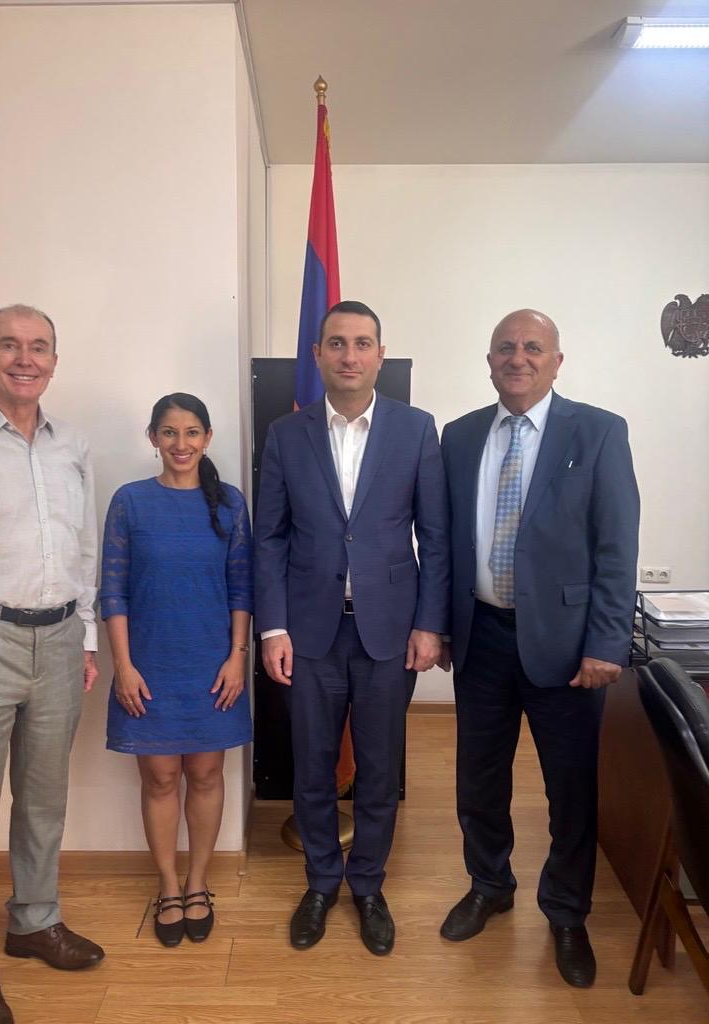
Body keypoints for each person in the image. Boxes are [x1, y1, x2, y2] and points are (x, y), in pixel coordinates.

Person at [438, 309, 639, 988]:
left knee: (570, 788)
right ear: (489, 360)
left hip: (569, 646)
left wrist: (607, 641)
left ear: (557, 361)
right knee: (479, 779)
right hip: (481, 635)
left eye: (532, 347)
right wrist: (440, 624)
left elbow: (617, 548)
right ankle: (489, 884)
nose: (517, 358)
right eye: (505, 347)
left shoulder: (599, 431)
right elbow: (445, 540)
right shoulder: (461, 436)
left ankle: (566, 912)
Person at [254, 300, 449, 956]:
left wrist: (429, 623)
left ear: (380, 355)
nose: (350, 355)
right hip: (309, 633)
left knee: (379, 767)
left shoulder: (416, 430)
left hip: (388, 632)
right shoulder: (287, 434)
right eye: (337, 343)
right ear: (317, 355)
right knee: (311, 766)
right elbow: (269, 538)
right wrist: (272, 629)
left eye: (362, 343)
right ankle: (320, 883)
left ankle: (367, 883)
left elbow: (435, 537)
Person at [0, 305, 104, 1024]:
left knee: (43, 801)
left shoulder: (73, 446)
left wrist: (87, 637)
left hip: (60, 639)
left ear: (54, 362)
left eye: (39, 347)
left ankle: (35, 921)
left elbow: (83, 548)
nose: (24, 358)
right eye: (9, 345)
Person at [100, 393, 252, 948]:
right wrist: (123, 666)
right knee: (160, 778)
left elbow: (242, 587)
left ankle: (197, 883)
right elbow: (112, 591)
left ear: (207, 438)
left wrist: (237, 657)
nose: (180, 443)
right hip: (149, 665)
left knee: (207, 776)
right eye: (169, 432)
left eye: (191, 432)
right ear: (153, 438)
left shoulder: (230, 503)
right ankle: (167, 886)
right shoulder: (130, 502)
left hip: (212, 665)